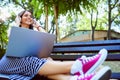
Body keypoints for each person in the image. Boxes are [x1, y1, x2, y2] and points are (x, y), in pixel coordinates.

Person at [0, 10, 111, 80]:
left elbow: (47, 39)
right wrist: (17, 23)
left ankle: (75, 79)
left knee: (46, 59)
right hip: (9, 61)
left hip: (30, 63)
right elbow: (11, 37)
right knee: (35, 61)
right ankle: (80, 65)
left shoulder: (35, 33)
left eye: (30, 15)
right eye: (26, 15)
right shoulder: (14, 29)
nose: (29, 17)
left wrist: (38, 26)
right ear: (20, 18)